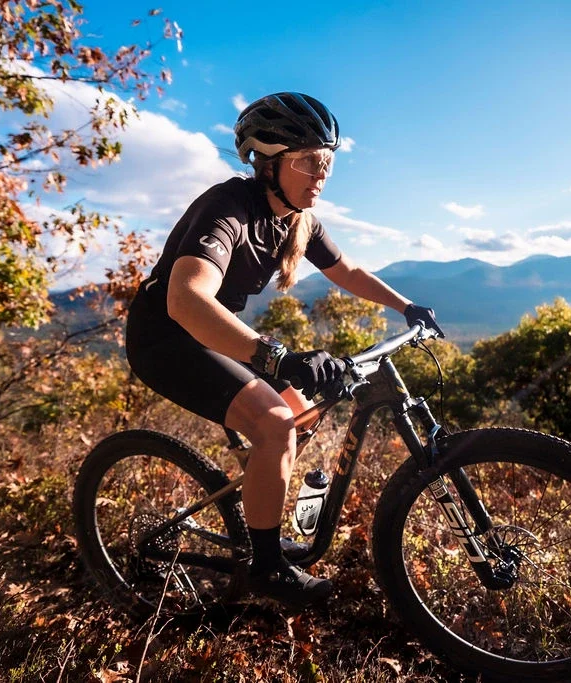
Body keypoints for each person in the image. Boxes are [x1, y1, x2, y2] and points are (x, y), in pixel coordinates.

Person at [125, 92, 443, 607]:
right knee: (275, 422)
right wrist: (278, 357)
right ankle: (267, 568)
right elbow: (186, 299)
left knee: (300, 415)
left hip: (214, 334)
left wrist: (406, 307)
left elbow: (347, 271)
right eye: (308, 161)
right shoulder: (227, 207)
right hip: (165, 336)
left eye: (327, 163)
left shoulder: (299, 219)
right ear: (268, 163)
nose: (321, 174)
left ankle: (259, 525)